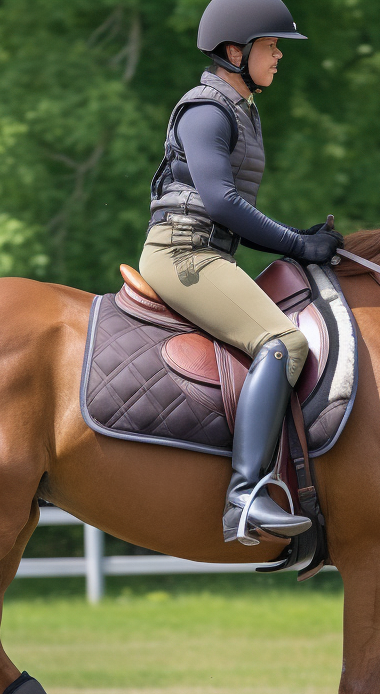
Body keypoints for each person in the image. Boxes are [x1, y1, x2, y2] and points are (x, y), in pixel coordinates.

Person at [139, 0, 343, 546]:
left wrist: (301, 239)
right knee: (282, 341)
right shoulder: (207, 109)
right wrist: (298, 242)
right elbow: (221, 203)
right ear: (236, 51)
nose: (278, 56)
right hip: (183, 252)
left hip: (211, 251)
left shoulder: (242, 106)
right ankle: (246, 497)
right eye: (271, 46)